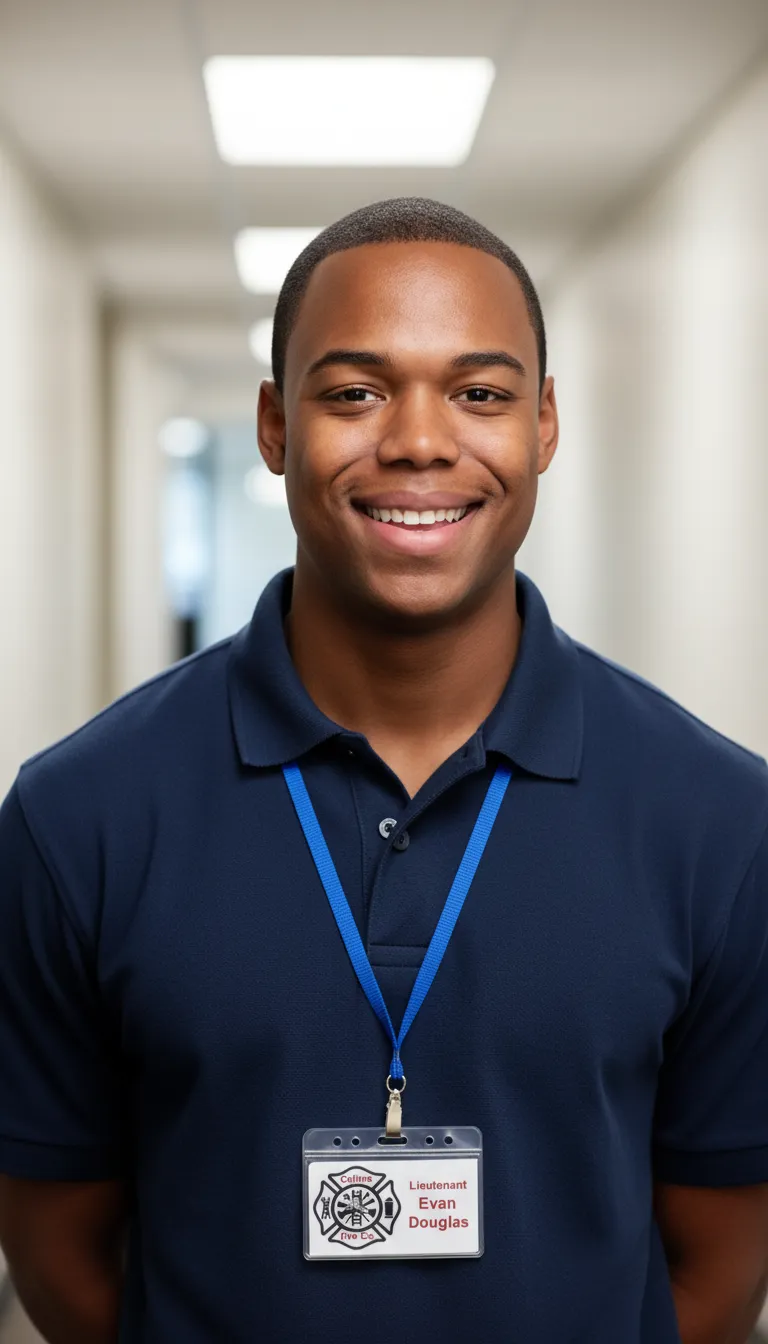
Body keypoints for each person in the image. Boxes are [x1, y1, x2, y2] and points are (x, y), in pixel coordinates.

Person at [1, 196, 767, 1344]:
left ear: (546, 426)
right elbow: (61, 1256)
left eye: (482, 393)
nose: (417, 439)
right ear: (273, 425)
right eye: (355, 391)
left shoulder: (719, 822)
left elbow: (716, 1270)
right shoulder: (79, 818)